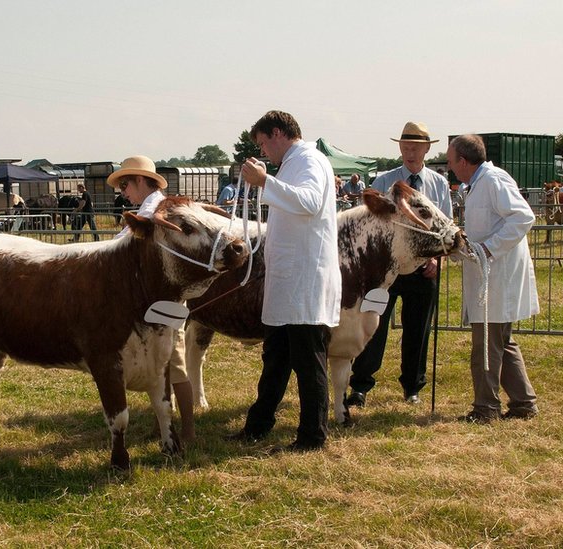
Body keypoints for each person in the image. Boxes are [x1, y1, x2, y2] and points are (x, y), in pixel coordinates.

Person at [231, 110, 341, 452]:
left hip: (304, 281)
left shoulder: (309, 160)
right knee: (276, 357)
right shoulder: (292, 164)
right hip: (288, 281)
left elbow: (308, 203)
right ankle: (258, 426)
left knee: (308, 361)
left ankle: (312, 436)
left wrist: (265, 181)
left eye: (264, 143)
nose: (264, 152)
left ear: (278, 133)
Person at [346, 122, 453, 407]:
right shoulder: (384, 181)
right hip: (387, 271)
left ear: (427, 150)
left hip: (423, 268)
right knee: (373, 325)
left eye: (416, 147)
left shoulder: (439, 184)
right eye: (405, 146)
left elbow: (444, 229)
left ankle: (412, 387)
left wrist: (437, 261)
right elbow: (371, 226)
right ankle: (360, 385)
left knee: (418, 328)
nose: (410, 151)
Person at [447, 134, 539, 424]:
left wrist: (488, 248)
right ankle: (523, 403)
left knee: (487, 344)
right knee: (502, 341)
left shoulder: (494, 180)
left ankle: (486, 409)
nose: (450, 167)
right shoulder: (477, 184)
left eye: (451, 161)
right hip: (491, 275)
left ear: (463, 161)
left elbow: (523, 217)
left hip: (499, 276)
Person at [107, 155, 195, 444]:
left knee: (174, 361)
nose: (123, 191)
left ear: (142, 181)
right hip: (151, 298)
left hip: (163, 297)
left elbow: (122, 243)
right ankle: (167, 425)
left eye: (125, 184)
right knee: (163, 361)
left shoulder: (158, 210)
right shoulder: (150, 207)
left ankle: (188, 430)